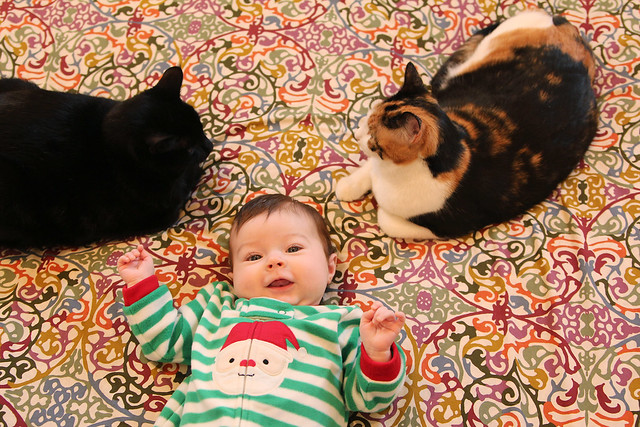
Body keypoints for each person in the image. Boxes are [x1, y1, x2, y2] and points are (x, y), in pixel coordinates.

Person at [117, 193, 406, 426]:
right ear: (233, 275)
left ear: (330, 268)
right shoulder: (217, 307)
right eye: (254, 256)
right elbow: (164, 342)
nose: (274, 261)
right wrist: (141, 284)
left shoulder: (341, 323)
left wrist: (377, 353)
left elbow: (367, 399)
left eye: (293, 249)